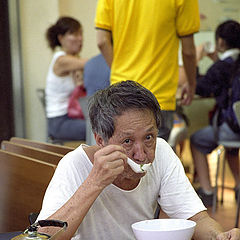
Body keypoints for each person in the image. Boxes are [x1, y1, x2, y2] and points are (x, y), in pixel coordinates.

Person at [37, 80, 240, 240]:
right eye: (127, 141)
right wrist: (95, 182)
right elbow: (43, 236)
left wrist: (220, 236)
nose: (141, 154)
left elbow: (195, 218)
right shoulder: (74, 165)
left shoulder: (161, 152)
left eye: (148, 137)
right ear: (101, 140)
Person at [95, 0, 200, 141]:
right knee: (151, 158)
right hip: (158, 94)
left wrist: (119, 70)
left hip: (120, 93)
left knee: (122, 157)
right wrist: (191, 83)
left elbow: (102, 41)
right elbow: (188, 51)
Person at [190, 20, 240, 207]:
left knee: (196, 140)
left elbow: (200, 87)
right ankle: (238, 186)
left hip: (231, 128)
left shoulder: (220, 67)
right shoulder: (230, 65)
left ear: (220, 42)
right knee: (232, 146)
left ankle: (207, 191)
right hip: (237, 125)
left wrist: (195, 58)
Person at [45, 16, 88, 141]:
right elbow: (91, 63)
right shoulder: (61, 60)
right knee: (101, 129)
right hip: (59, 122)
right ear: (61, 38)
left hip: (72, 117)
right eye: (74, 34)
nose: (80, 38)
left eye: (81, 33)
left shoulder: (74, 60)